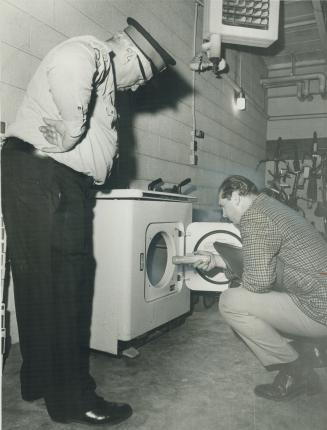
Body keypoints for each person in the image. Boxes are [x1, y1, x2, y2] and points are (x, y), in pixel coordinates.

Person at [1, 18, 175, 425]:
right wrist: (71, 130)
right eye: (139, 79)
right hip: (50, 175)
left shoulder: (102, 72)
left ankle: (40, 380)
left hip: (39, 177)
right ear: (131, 56)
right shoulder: (91, 51)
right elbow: (69, 62)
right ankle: (73, 400)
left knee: (40, 285)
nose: (134, 88)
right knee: (66, 288)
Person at [194, 175, 327, 401]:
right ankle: (302, 354)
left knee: (231, 301)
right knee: (245, 289)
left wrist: (237, 280)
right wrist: (217, 260)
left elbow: (259, 281)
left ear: (236, 197)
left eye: (223, 206)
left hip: (319, 309)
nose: (224, 215)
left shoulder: (255, 218)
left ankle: (296, 371)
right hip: (317, 295)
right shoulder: (269, 207)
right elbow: (261, 259)